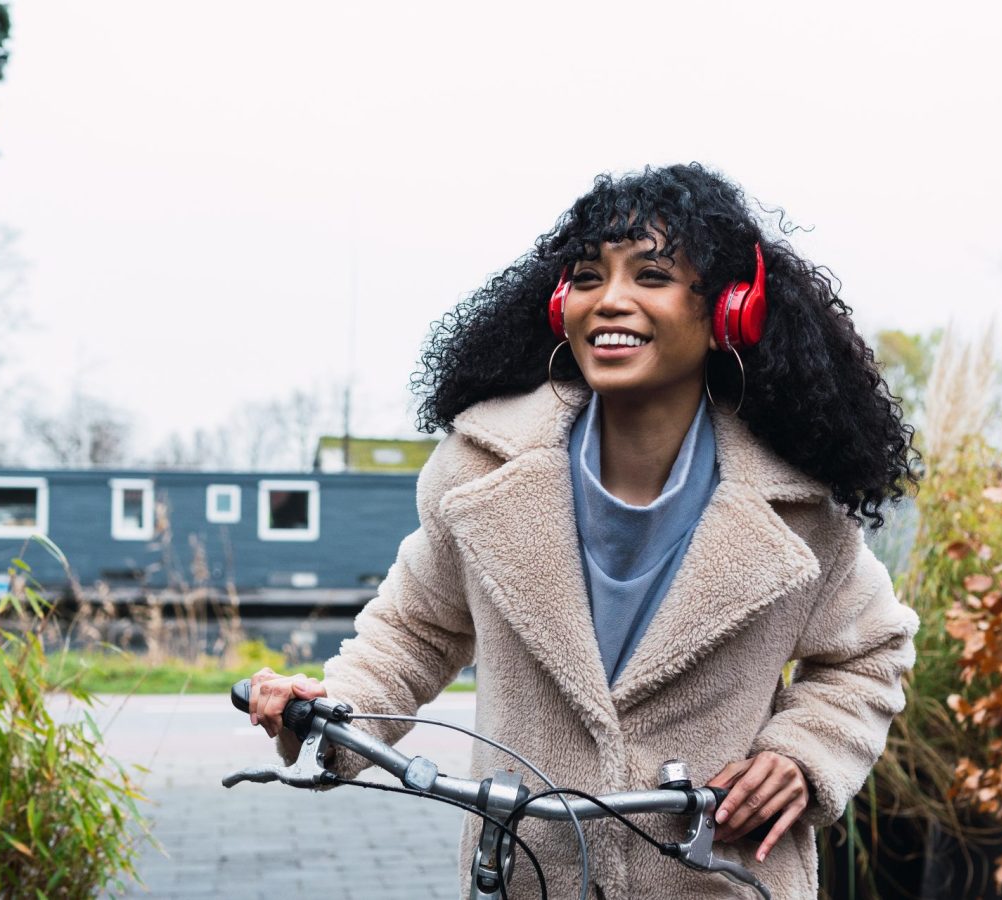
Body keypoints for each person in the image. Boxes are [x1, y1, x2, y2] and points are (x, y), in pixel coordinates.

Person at [249, 163, 919, 898]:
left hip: (721, 879)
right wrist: (327, 709)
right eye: (590, 277)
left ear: (731, 310)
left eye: (652, 275)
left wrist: (800, 755)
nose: (611, 301)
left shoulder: (795, 506)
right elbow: (415, 630)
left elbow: (869, 654)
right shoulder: (477, 470)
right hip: (529, 874)